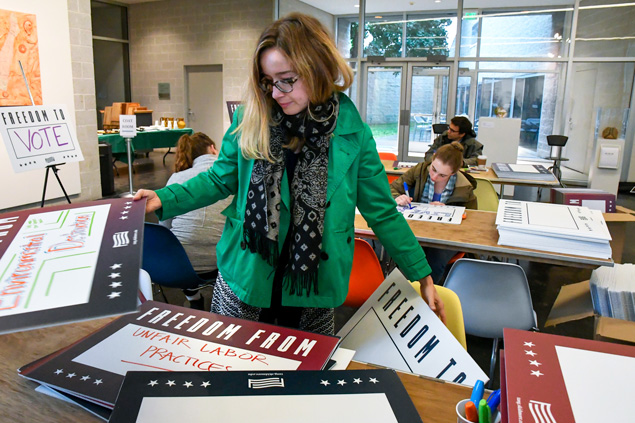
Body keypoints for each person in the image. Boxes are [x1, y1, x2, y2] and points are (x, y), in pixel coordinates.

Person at [134, 13, 445, 335]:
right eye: (268, 82)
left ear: (318, 69)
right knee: (234, 364)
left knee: (305, 371)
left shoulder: (353, 132)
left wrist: (421, 274)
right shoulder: (251, 116)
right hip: (249, 268)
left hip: (313, 276)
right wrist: (162, 197)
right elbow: (219, 178)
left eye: (287, 79)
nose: (276, 93)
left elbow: (381, 212)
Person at [159, 132, 232, 310]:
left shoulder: (177, 178)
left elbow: (164, 229)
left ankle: (193, 298)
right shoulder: (232, 180)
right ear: (213, 149)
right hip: (223, 263)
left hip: (181, 265)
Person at [390, 141, 477, 283]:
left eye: (442, 175)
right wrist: (397, 197)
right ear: (433, 157)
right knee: (407, 255)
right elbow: (392, 188)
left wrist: (449, 210)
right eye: (434, 169)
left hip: (446, 237)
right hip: (416, 230)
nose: (435, 177)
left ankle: (427, 297)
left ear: (454, 172)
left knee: (434, 262)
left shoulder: (464, 187)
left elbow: (472, 219)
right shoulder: (419, 170)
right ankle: (407, 294)